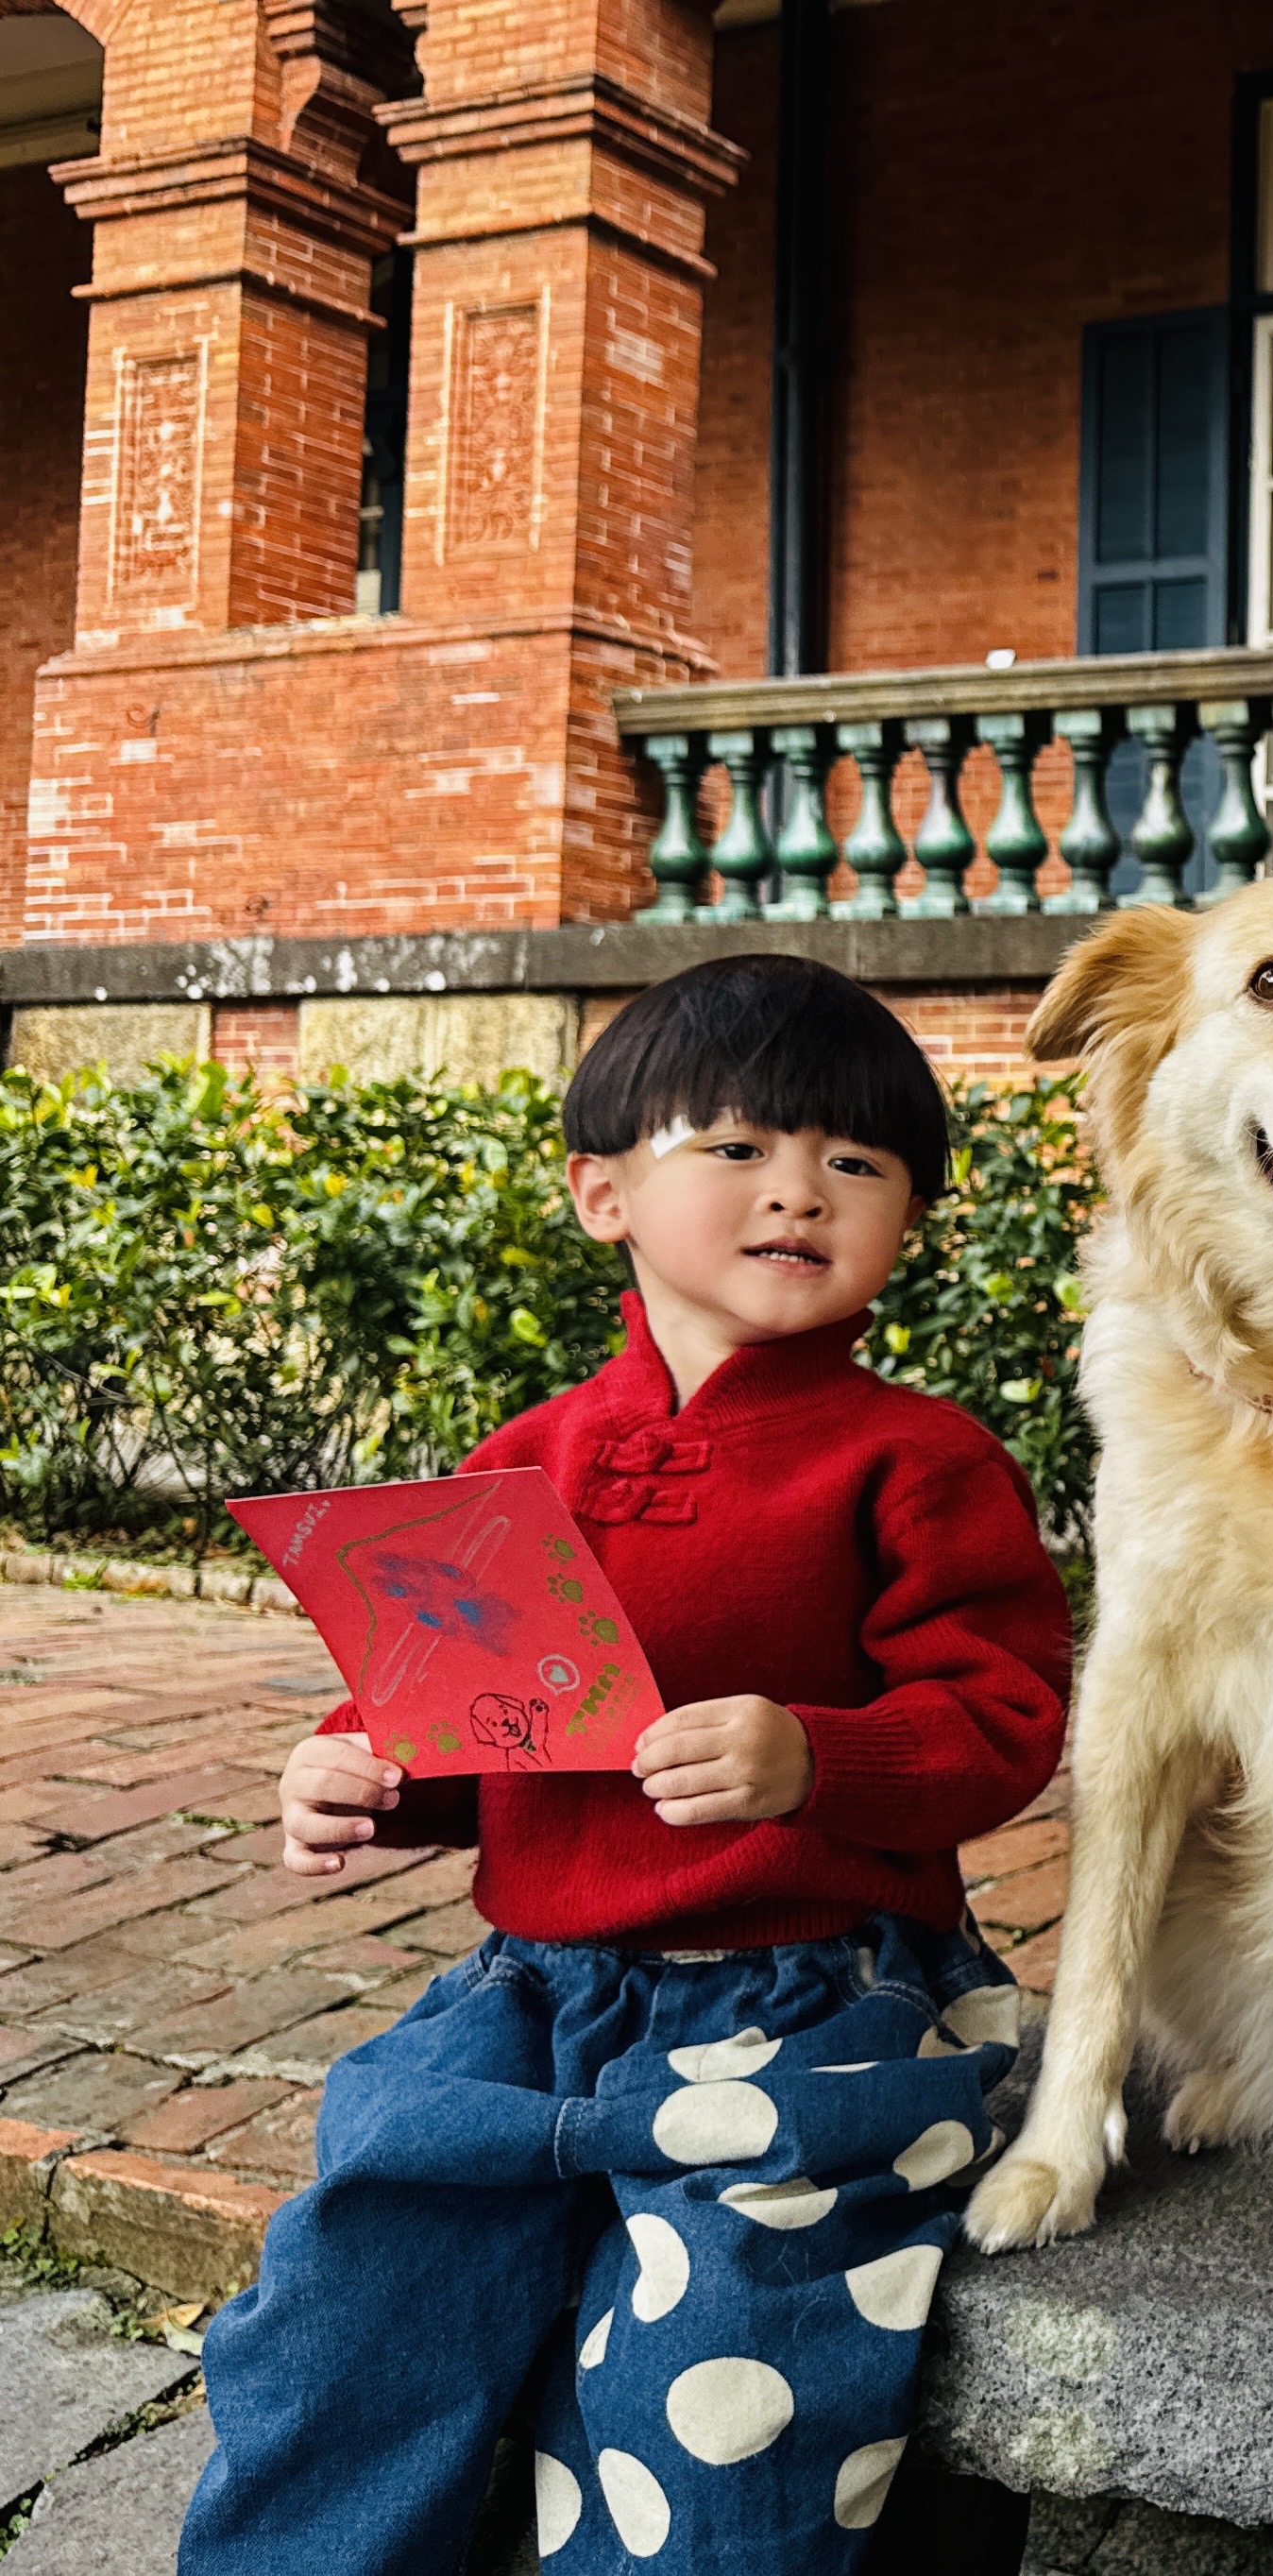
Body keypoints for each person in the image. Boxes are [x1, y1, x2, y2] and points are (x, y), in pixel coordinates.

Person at [182, 956, 1074, 2575]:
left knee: (722, 2379)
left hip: (806, 1996)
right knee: (348, 2306)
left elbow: (1002, 1716)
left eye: (856, 1165)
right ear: (603, 1192)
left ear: (905, 1225)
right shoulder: (536, 1455)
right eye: (736, 1148)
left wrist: (823, 1757)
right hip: (538, 1992)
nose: (800, 1190)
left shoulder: (914, 1461)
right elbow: (469, 1717)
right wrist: (364, 1772)